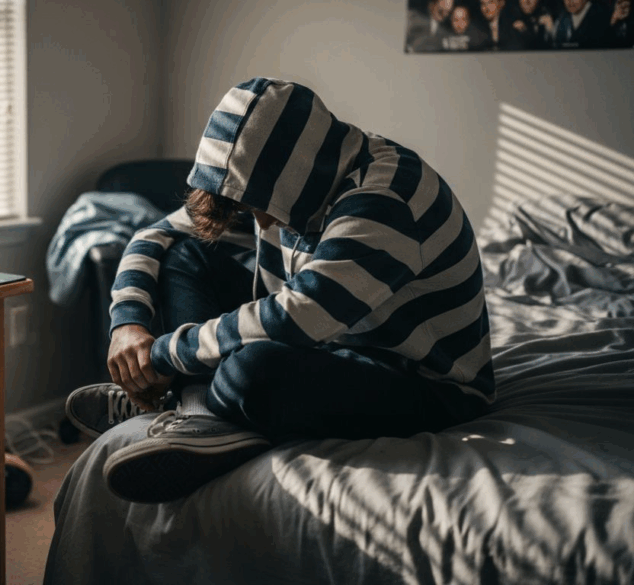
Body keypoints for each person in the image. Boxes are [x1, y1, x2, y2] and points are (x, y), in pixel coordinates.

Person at [65, 77, 496, 504]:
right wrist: (128, 326)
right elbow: (154, 235)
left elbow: (300, 316)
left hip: (424, 384)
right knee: (186, 254)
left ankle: (192, 401)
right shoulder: (288, 178)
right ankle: (198, 409)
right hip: (327, 343)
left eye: (260, 207)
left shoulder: (388, 197)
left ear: (296, 178)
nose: (262, 224)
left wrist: (157, 355)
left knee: (253, 372)